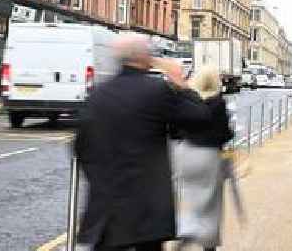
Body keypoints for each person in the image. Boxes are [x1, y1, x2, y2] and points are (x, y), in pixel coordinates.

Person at [75, 35, 216, 251]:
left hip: (106, 212)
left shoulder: (97, 95)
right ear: (145, 58)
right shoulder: (157, 90)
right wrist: (181, 83)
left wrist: (100, 180)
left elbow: (81, 147)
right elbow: (201, 117)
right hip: (147, 213)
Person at [173, 65, 235, 251]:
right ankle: (208, 244)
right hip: (208, 156)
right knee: (211, 203)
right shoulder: (218, 103)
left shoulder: (188, 101)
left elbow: (176, 129)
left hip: (185, 153)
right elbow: (224, 133)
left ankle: (187, 227)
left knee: (188, 197)